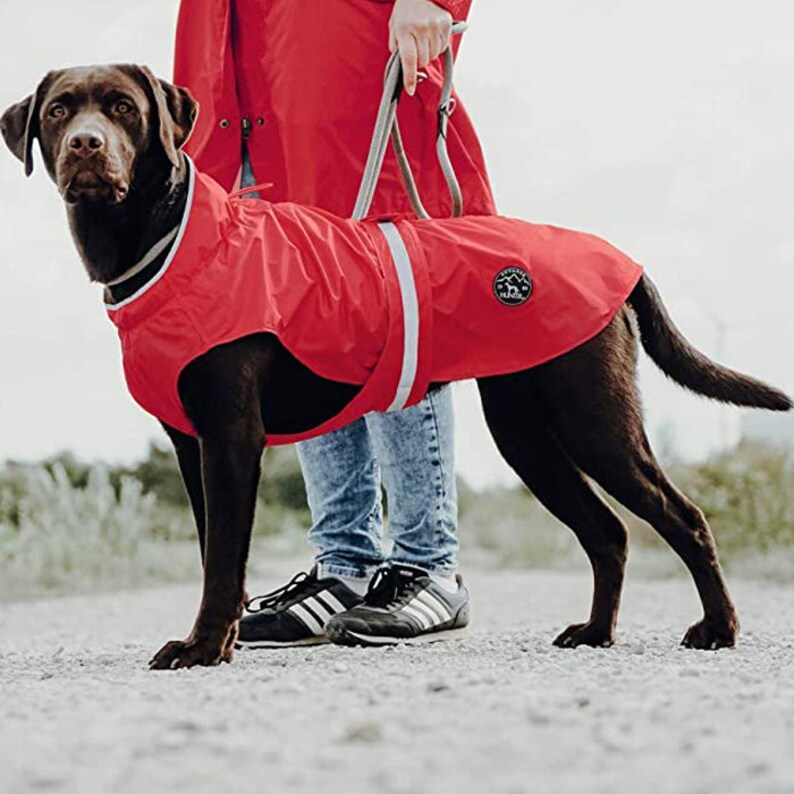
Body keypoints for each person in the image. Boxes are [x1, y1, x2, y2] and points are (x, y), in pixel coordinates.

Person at [173, 0, 495, 647]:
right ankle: (345, 566)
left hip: (349, 68)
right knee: (302, 322)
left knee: (393, 301)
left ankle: (428, 563)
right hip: (252, 96)